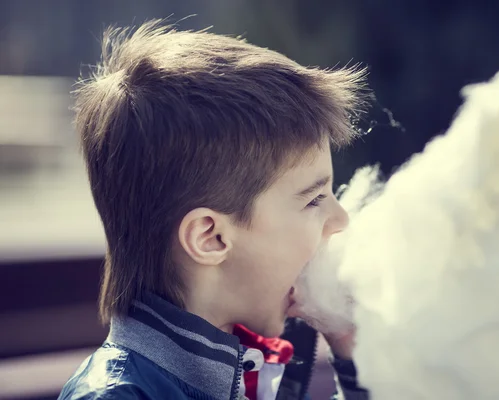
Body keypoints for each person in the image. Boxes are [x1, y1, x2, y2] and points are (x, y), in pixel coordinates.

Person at [58, 20, 371, 400]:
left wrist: (353, 352)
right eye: (313, 199)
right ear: (210, 237)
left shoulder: (254, 370)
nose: (341, 220)